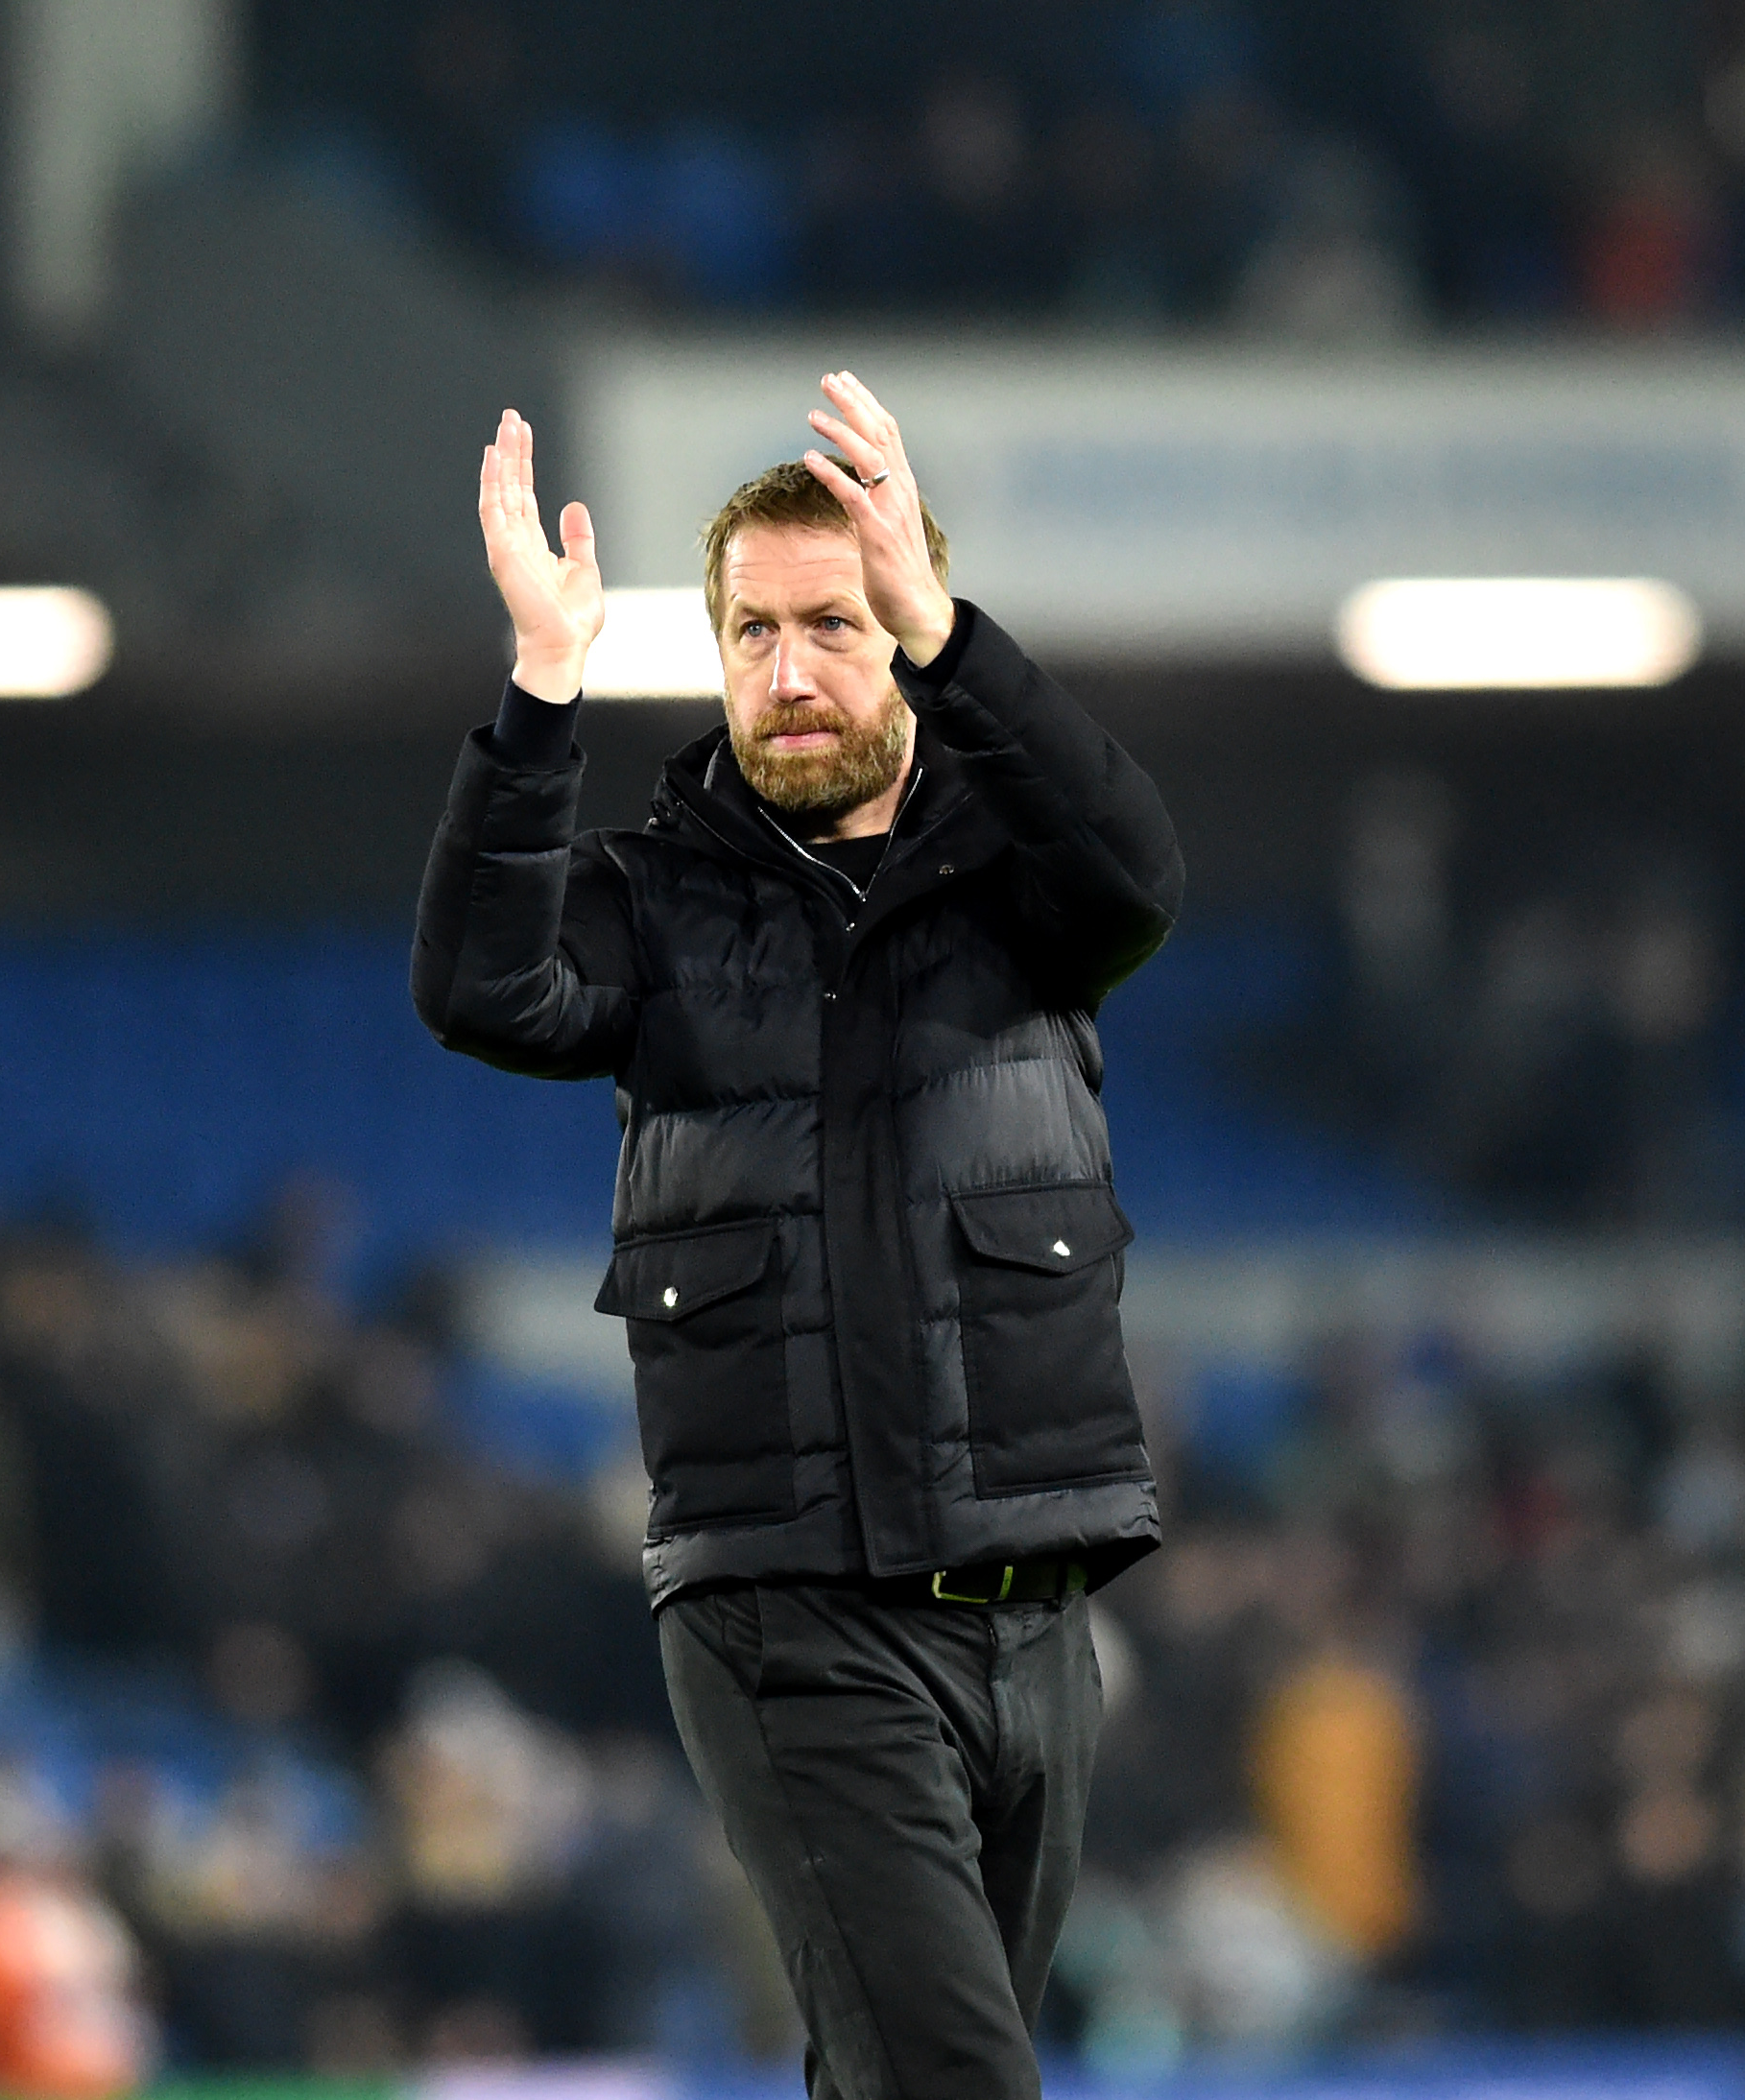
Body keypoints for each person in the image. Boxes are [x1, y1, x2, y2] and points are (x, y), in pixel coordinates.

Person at [413, 370, 1183, 2100]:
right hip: (792, 1615)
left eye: (834, 623)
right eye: (750, 631)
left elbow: (1140, 875)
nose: (787, 670)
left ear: (902, 627)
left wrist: (953, 626)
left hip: (1033, 1611)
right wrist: (545, 691)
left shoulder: (1022, 888)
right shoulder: (650, 896)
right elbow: (477, 985)